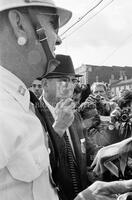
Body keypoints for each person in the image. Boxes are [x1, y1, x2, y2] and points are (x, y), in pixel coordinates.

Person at [0, 0, 72, 199]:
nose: (58, 39)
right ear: (19, 25)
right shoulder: (4, 109)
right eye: (53, 24)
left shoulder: (22, 102)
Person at [41, 54, 91, 200]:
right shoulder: (32, 115)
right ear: (44, 84)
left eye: (73, 80)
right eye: (63, 80)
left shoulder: (75, 115)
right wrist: (58, 129)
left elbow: (87, 149)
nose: (70, 86)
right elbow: (36, 165)